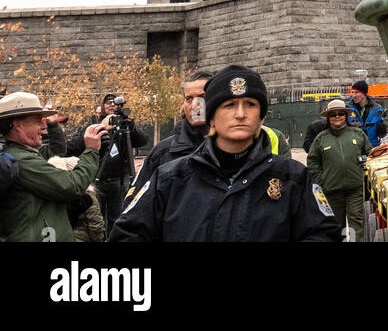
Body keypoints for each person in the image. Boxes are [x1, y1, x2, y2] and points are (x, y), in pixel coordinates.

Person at [110, 64, 338, 242]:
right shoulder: (169, 178)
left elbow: (323, 234)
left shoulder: (293, 178)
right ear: (211, 116)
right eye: (229, 105)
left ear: (261, 115)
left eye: (249, 104)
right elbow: (128, 233)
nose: (240, 114)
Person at [0, 91, 108, 242]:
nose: (44, 126)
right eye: (38, 120)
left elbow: (56, 150)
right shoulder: (21, 160)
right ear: (17, 125)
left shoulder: (24, 154)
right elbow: (73, 185)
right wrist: (91, 150)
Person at [66, 92, 149, 233]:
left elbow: (142, 141)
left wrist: (132, 127)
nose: (112, 105)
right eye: (108, 102)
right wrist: (100, 127)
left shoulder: (124, 126)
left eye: (114, 103)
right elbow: (72, 147)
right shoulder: (94, 126)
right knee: (97, 218)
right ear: (102, 107)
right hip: (97, 180)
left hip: (119, 180)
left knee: (117, 219)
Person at [306, 99, 369, 242]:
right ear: (328, 118)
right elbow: (312, 161)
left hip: (356, 190)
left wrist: (363, 171)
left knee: (356, 222)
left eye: (341, 113)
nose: (337, 117)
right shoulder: (321, 139)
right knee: (335, 225)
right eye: (333, 114)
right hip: (332, 191)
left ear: (346, 116)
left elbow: (371, 155)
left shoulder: (358, 134)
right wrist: (322, 180)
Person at [347, 80, 388, 148]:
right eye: (352, 92)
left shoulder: (377, 109)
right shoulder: (347, 109)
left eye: (356, 92)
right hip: (354, 149)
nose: (353, 95)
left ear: (364, 93)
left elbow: (383, 134)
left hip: (372, 149)